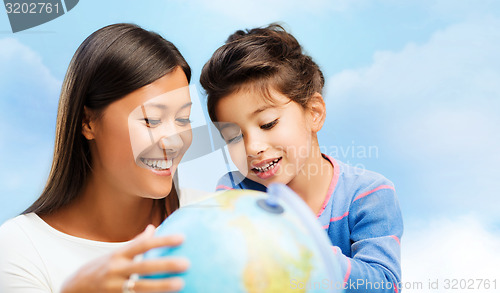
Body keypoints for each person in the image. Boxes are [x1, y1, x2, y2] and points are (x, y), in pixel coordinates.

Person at [200, 24, 403, 292]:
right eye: (233, 137)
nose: (252, 148)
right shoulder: (235, 194)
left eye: (267, 124)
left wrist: (301, 247)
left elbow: (384, 285)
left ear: (314, 112)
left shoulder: (369, 195)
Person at [0, 23, 193, 293]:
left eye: (183, 118)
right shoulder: (22, 246)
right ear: (88, 122)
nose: (174, 141)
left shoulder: (211, 215)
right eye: (151, 120)